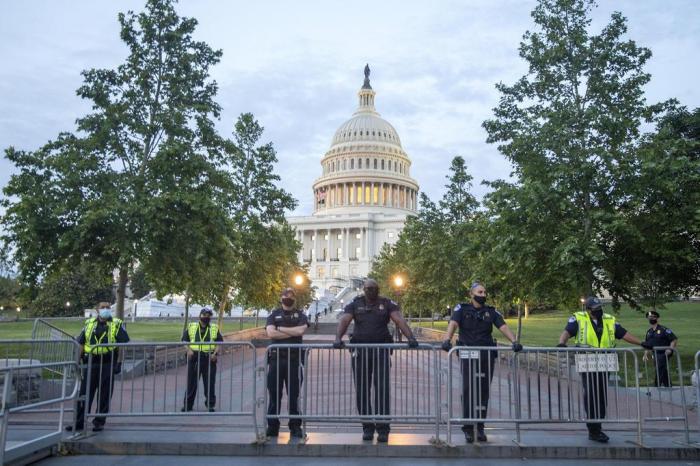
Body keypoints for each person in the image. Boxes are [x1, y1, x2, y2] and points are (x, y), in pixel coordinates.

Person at [333, 278, 419, 443]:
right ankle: (367, 427)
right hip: (360, 352)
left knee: (382, 390)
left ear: (378, 289)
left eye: (373, 288)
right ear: (363, 289)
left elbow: (398, 319)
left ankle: (383, 429)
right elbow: (345, 319)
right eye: (368, 288)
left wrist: (411, 337)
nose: (371, 291)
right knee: (362, 391)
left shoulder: (386, 303)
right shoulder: (355, 303)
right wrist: (338, 338)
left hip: (381, 352)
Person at [557, 296, 651, 443]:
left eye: (600, 308)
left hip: (605, 361)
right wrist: (562, 343)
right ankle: (594, 430)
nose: (598, 311)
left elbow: (623, 333)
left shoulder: (609, 319)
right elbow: (567, 332)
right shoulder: (578, 318)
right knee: (591, 393)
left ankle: (597, 426)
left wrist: (642, 343)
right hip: (587, 360)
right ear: (588, 310)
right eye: (595, 310)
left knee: (601, 395)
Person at [440, 282, 522, 443]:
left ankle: (480, 427)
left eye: (484, 292)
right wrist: (446, 339)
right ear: (472, 294)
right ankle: (468, 428)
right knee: (469, 389)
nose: (483, 295)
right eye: (480, 292)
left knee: (484, 391)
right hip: (468, 354)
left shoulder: (490, 311)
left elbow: (502, 326)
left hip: (486, 356)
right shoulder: (461, 309)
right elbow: (453, 324)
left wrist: (514, 341)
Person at [68, 302, 129, 432]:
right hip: (91, 361)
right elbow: (81, 343)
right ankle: (79, 421)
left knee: (104, 394)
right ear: (97, 310)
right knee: (85, 393)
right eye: (103, 307)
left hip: (108, 362)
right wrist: (77, 360)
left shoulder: (116, 323)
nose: (106, 309)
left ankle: (99, 421)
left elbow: (123, 344)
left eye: (108, 307)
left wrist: (119, 362)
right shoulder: (89, 323)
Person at [265, 288, 309, 438]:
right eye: (286, 295)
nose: (288, 298)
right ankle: (272, 426)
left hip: (294, 361)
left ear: (294, 298)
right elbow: (270, 333)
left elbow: (300, 332)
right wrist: (291, 330)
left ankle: (295, 426)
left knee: (294, 396)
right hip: (276, 360)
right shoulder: (274, 314)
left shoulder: (301, 315)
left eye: (291, 296)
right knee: (274, 394)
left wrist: (281, 329)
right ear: (281, 297)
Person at [181, 307, 222, 412]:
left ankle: (210, 405)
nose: (206, 317)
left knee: (209, 383)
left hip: (209, 358)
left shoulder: (214, 328)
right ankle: (188, 405)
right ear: (200, 316)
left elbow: (219, 343)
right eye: (204, 315)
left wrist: (215, 353)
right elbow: (184, 340)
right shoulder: (192, 326)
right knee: (191, 383)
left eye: (208, 316)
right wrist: (188, 350)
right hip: (194, 358)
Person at [642, 310, 678, 387]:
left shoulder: (663, 329)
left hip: (664, 352)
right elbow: (648, 344)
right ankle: (668, 385)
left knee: (659, 368)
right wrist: (645, 354)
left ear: (657, 319)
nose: (651, 319)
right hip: (655, 353)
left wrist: (670, 349)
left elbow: (674, 339)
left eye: (653, 317)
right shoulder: (649, 332)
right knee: (662, 369)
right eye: (649, 317)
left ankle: (656, 386)